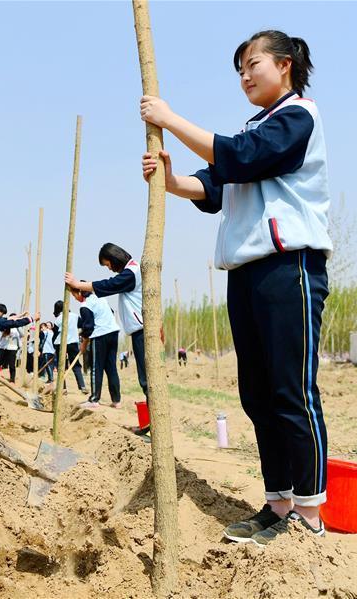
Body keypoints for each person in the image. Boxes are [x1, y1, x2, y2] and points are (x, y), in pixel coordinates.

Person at [140, 30, 330, 545]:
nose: (245, 76)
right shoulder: (254, 129)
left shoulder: (297, 118)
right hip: (245, 272)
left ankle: (310, 514)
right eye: (239, 69)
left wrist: (170, 118)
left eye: (253, 64)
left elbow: (240, 156)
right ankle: (277, 503)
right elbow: (216, 186)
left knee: (293, 391)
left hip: (288, 266)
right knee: (258, 395)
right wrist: (171, 178)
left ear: (285, 65)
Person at [66, 243, 148, 434]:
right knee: (113, 369)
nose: (109, 268)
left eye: (108, 264)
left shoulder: (131, 273)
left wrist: (77, 284)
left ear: (115, 259)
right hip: (118, 332)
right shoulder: (129, 273)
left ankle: (95, 399)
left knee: (140, 378)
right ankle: (126, 407)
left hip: (120, 333)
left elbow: (109, 285)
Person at [69, 286, 121, 409]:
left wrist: (83, 344)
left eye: (74, 295)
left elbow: (88, 328)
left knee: (96, 367)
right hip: (113, 333)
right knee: (111, 368)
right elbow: (111, 312)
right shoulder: (101, 298)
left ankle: (94, 399)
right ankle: (116, 401)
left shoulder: (85, 306)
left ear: (79, 292)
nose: (75, 298)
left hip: (100, 336)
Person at [52, 300, 88, 393]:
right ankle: (82, 386)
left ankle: (62, 388)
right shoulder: (75, 316)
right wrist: (78, 334)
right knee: (76, 365)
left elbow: (55, 335)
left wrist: (54, 347)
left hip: (60, 344)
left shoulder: (58, 319)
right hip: (73, 343)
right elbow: (83, 326)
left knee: (61, 366)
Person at [0, 313, 20, 383]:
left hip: (12, 348)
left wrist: (18, 326)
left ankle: (12, 380)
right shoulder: (4, 326)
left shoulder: (17, 328)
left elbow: (21, 335)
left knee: (12, 365)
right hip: (3, 347)